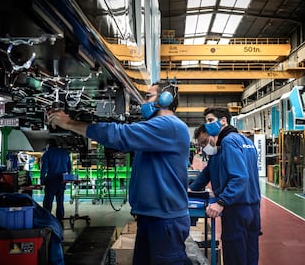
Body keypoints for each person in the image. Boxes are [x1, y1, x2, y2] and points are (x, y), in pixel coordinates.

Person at [47, 81, 191, 265]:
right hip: (153, 217)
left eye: (148, 97)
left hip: (165, 221)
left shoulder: (169, 125)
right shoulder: (158, 128)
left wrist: (68, 123)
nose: (143, 103)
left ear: (165, 99)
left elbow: (120, 135)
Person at [189, 107, 261, 265]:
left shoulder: (228, 142)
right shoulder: (246, 142)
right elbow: (209, 171)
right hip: (253, 209)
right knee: (250, 255)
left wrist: (221, 202)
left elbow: (240, 177)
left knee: (235, 256)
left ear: (223, 121)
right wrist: (192, 188)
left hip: (236, 208)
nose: (204, 146)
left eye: (205, 142)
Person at [40, 138, 72, 221]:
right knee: (60, 200)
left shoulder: (47, 154)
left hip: (51, 180)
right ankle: (60, 218)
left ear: (48, 145)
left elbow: (44, 169)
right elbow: (69, 168)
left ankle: (47, 218)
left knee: (48, 201)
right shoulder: (65, 153)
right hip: (62, 180)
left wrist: (42, 180)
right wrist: (66, 178)